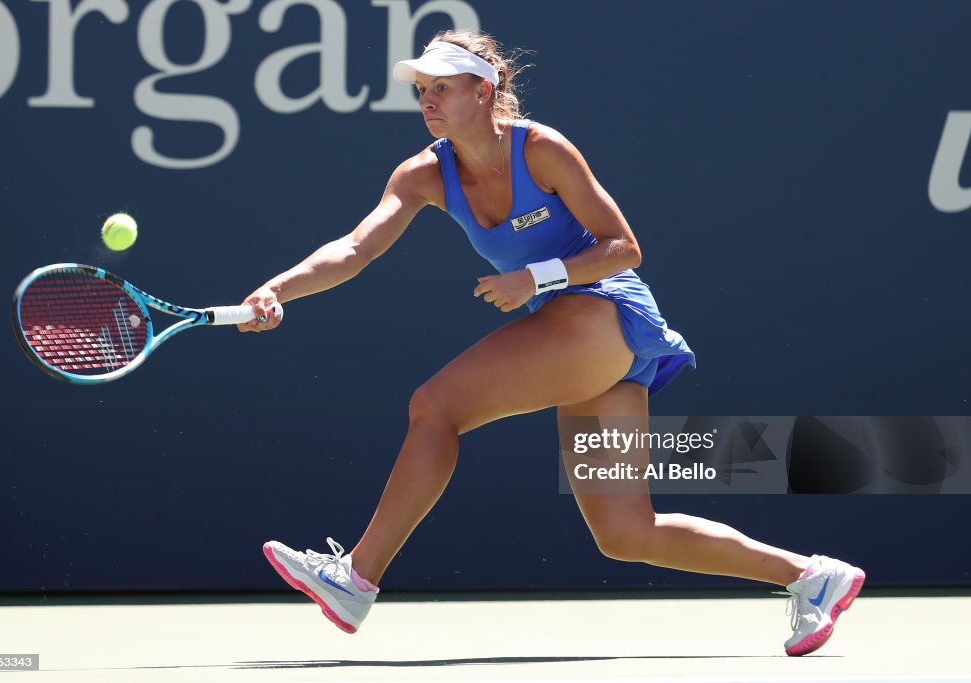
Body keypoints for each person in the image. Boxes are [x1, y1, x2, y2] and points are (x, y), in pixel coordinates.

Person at [239, 31, 864, 656]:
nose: (428, 101)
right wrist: (276, 289)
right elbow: (354, 248)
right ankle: (812, 577)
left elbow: (624, 247)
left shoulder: (541, 149)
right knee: (626, 531)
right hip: (592, 350)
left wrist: (537, 277)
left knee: (435, 408)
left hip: (604, 316)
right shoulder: (423, 173)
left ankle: (356, 577)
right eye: (423, 90)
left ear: (484, 91)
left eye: (443, 88)